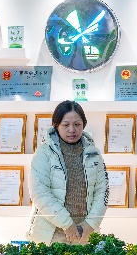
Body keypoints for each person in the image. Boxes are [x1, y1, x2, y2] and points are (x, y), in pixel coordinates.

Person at [27, 100, 109, 245]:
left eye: (77, 124)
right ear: (56, 125)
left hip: (85, 232)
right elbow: (40, 193)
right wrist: (66, 224)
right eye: (65, 125)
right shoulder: (44, 152)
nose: (72, 130)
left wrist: (90, 224)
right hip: (51, 233)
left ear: (83, 125)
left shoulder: (94, 153)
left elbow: (102, 191)